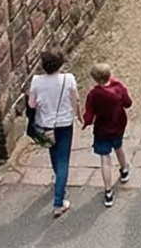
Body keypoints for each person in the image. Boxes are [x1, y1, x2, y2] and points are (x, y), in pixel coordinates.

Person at [29, 50, 80, 218]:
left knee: (53, 152)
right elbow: (75, 100)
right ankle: (59, 201)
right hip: (65, 123)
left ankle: (59, 183)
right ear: (60, 64)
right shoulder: (69, 79)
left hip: (46, 125)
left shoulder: (36, 81)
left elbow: (32, 104)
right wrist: (77, 115)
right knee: (64, 158)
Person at [82, 62, 132, 208]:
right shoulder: (118, 88)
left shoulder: (93, 95)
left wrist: (85, 122)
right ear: (109, 74)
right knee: (119, 148)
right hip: (117, 126)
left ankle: (108, 192)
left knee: (105, 160)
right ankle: (124, 171)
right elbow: (128, 103)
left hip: (102, 130)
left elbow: (89, 116)